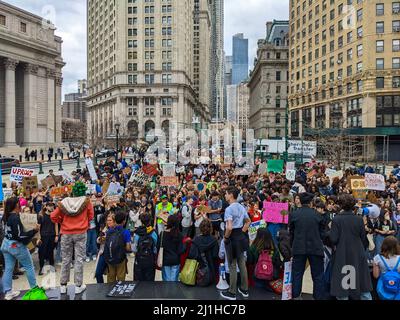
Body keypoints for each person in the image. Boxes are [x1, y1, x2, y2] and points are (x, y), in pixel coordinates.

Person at [50, 182, 94, 294]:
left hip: (66, 233)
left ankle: (63, 285)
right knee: (79, 259)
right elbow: (91, 216)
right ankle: (78, 285)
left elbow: (53, 216)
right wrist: (85, 222)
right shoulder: (87, 201)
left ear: (73, 191)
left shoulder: (64, 202)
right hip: (81, 232)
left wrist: (62, 221)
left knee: (66, 259)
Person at [328, 194, 373, 300]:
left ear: (341, 205)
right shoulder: (358, 219)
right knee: (362, 283)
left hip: (342, 253)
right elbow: (363, 237)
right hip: (357, 252)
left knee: (343, 286)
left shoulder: (337, 219)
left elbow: (333, 239)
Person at [0, 197, 39, 300]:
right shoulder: (15, 217)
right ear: (17, 205)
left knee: (8, 268)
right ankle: (34, 290)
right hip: (15, 245)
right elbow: (19, 236)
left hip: (6, 244)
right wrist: (34, 231)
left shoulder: (5, 216)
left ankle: (8, 292)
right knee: (29, 266)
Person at [289, 192, 326, 300]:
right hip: (315, 248)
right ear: (311, 202)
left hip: (298, 247)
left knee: (297, 274)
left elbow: (291, 233)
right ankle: (318, 297)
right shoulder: (318, 215)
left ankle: (296, 296)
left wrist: (292, 246)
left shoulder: (294, 215)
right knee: (318, 275)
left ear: (300, 201)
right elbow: (322, 234)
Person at [220, 187, 251, 301]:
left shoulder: (229, 209)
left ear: (231, 195)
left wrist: (226, 237)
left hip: (232, 238)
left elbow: (229, 227)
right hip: (241, 237)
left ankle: (232, 292)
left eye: (226, 194)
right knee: (242, 263)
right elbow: (248, 222)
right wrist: (241, 232)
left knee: (232, 265)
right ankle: (244, 289)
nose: (225, 196)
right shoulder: (242, 207)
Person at [188, 219, 219, 286]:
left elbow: (191, 254)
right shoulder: (214, 240)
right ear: (210, 228)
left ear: (200, 228)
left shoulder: (196, 239)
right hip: (211, 271)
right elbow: (215, 255)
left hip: (197, 271)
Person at [104, 209, 131, 283]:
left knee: (111, 278)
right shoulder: (126, 232)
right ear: (124, 221)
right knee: (121, 277)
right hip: (121, 259)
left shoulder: (109, 231)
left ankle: (110, 291)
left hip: (110, 258)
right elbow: (128, 248)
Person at [158, 215, 184, 281]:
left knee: (166, 281)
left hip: (165, 260)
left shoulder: (162, 234)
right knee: (174, 281)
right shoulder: (179, 235)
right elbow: (181, 250)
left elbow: (158, 246)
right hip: (175, 260)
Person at [133, 213, 158, 281]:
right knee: (149, 280)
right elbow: (155, 248)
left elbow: (134, 249)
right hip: (150, 260)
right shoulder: (153, 233)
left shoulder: (137, 233)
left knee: (138, 280)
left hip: (139, 260)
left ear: (141, 221)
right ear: (150, 220)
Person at [37, 202, 59, 275]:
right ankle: (41, 268)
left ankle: (52, 266)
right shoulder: (41, 216)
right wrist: (39, 237)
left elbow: (56, 225)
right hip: (43, 237)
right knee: (42, 253)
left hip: (52, 236)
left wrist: (56, 235)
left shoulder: (54, 215)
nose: (51, 207)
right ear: (46, 207)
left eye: (52, 206)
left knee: (51, 252)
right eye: (49, 206)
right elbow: (38, 228)